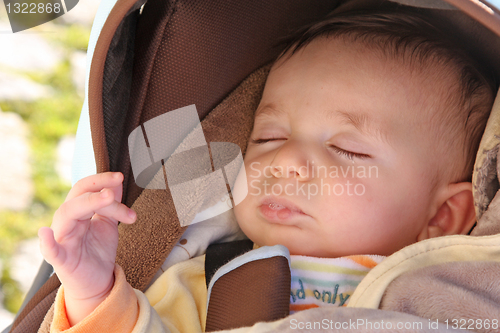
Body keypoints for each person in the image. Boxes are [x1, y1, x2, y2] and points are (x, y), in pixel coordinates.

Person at [37, 8, 496, 332]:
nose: (286, 162)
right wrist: (94, 294)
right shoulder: (207, 280)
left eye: (347, 149)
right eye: (268, 137)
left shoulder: (462, 292)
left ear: (441, 217)